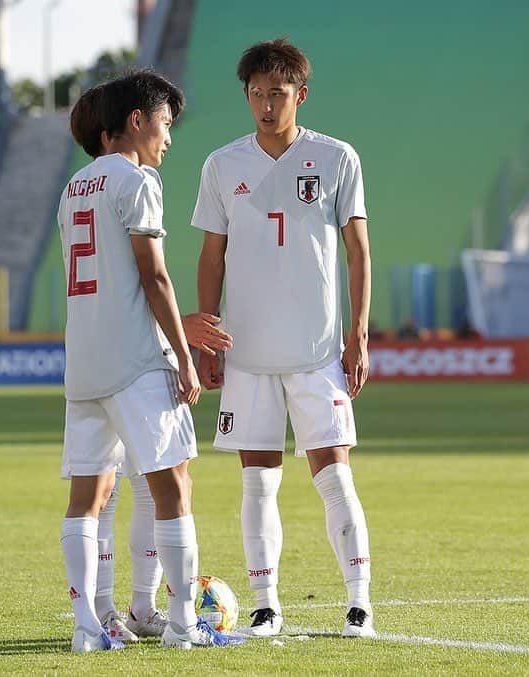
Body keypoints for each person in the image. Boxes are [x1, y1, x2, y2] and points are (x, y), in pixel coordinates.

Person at [193, 38, 375, 639]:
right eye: (256, 94)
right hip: (246, 355)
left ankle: (359, 603)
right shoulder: (222, 165)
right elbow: (210, 256)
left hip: (318, 353)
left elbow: (358, 251)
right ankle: (266, 603)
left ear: (301, 94)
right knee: (258, 481)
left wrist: (358, 334)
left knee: (335, 476)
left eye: (278, 93)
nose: (266, 105)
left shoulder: (337, 158)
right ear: (245, 96)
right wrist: (207, 334)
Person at [57, 70, 241, 652]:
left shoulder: (73, 188)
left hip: (83, 365)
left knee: (86, 500)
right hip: (136, 362)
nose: (168, 139)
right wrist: (184, 357)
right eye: (164, 124)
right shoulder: (135, 179)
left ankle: (88, 627)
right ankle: (184, 623)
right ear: (135, 121)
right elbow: (152, 273)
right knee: (173, 486)